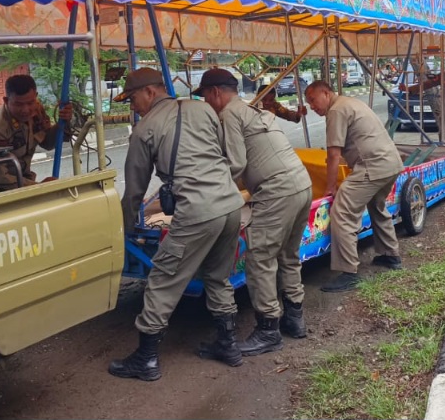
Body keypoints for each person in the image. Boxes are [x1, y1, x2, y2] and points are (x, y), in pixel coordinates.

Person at [109, 67, 246, 381]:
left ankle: (145, 359)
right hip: (230, 205)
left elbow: (134, 191)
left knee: (162, 280)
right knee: (218, 276)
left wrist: (123, 228)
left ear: (151, 92)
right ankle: (228, 345)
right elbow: (226, 155)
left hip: (197, 212)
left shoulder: (144, 130)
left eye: (132, 98)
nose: (132, 106)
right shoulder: (204, 109)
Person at [196, 69, 313, 356]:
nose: (207, 104)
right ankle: (294, 318)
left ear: (215, 93)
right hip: (301, 183)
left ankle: (268, 330)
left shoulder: (229, 115)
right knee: (287, 254)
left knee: (260, 257)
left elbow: (235, 163)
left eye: (206, 97)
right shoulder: (252, 108)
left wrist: (206, 188)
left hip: (278, 190)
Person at [304, 81, 404, 293]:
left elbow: (333, 154)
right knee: (377, 206)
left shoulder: (337, 110)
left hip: (372, 166)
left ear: (326, 92)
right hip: (390, 163)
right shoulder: (349, 102)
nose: (311, 106)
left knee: (341, 212)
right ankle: (390, 255)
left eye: (312, 100)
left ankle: (348, 272)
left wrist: (331, 187)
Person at [0, 74, 72, 192]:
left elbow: (48, 143)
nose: (26, 110)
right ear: (6, 101)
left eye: (30, 102)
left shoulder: (36, 109)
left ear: (36, 97)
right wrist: (38, 187)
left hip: (23, 181)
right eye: (18, 104)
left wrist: (62, 122)